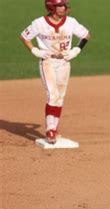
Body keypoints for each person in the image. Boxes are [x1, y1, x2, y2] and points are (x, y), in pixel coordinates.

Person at [19, 0, 90, 144]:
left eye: (63, 5)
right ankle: (50, 129)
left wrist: (76, 50)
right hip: (48, 62)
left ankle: (55, 128)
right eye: (59, 5)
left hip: (64, 62)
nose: (63, 8)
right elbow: (24, 36)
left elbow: (86, 35)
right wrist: (34, 50)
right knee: (53, 95)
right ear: (51, 7)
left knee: (61, 97)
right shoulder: (39, 23)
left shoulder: (71, 22)